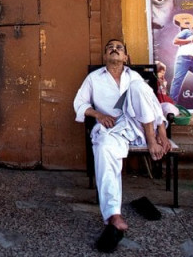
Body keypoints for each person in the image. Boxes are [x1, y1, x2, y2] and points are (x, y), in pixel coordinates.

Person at [73, 39, 171, 251]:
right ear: (105, 56)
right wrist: (98, 115)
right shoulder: (94, 78)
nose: (114, 50)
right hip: (113, 129)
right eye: (110, 48)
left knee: (138, 87)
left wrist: (161, 134)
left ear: (125, 57)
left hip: (140, 127)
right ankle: (113, 215)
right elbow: (79, 103)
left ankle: (151, 139)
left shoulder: (133, 77)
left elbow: (154, 105)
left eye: (119, 48)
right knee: (103, 148)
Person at [169, 18, 193, 104]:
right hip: (183, 58)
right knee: (177, 80)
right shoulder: (187, 31)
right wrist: (190, 40)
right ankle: (172, 103)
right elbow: (175, 41)